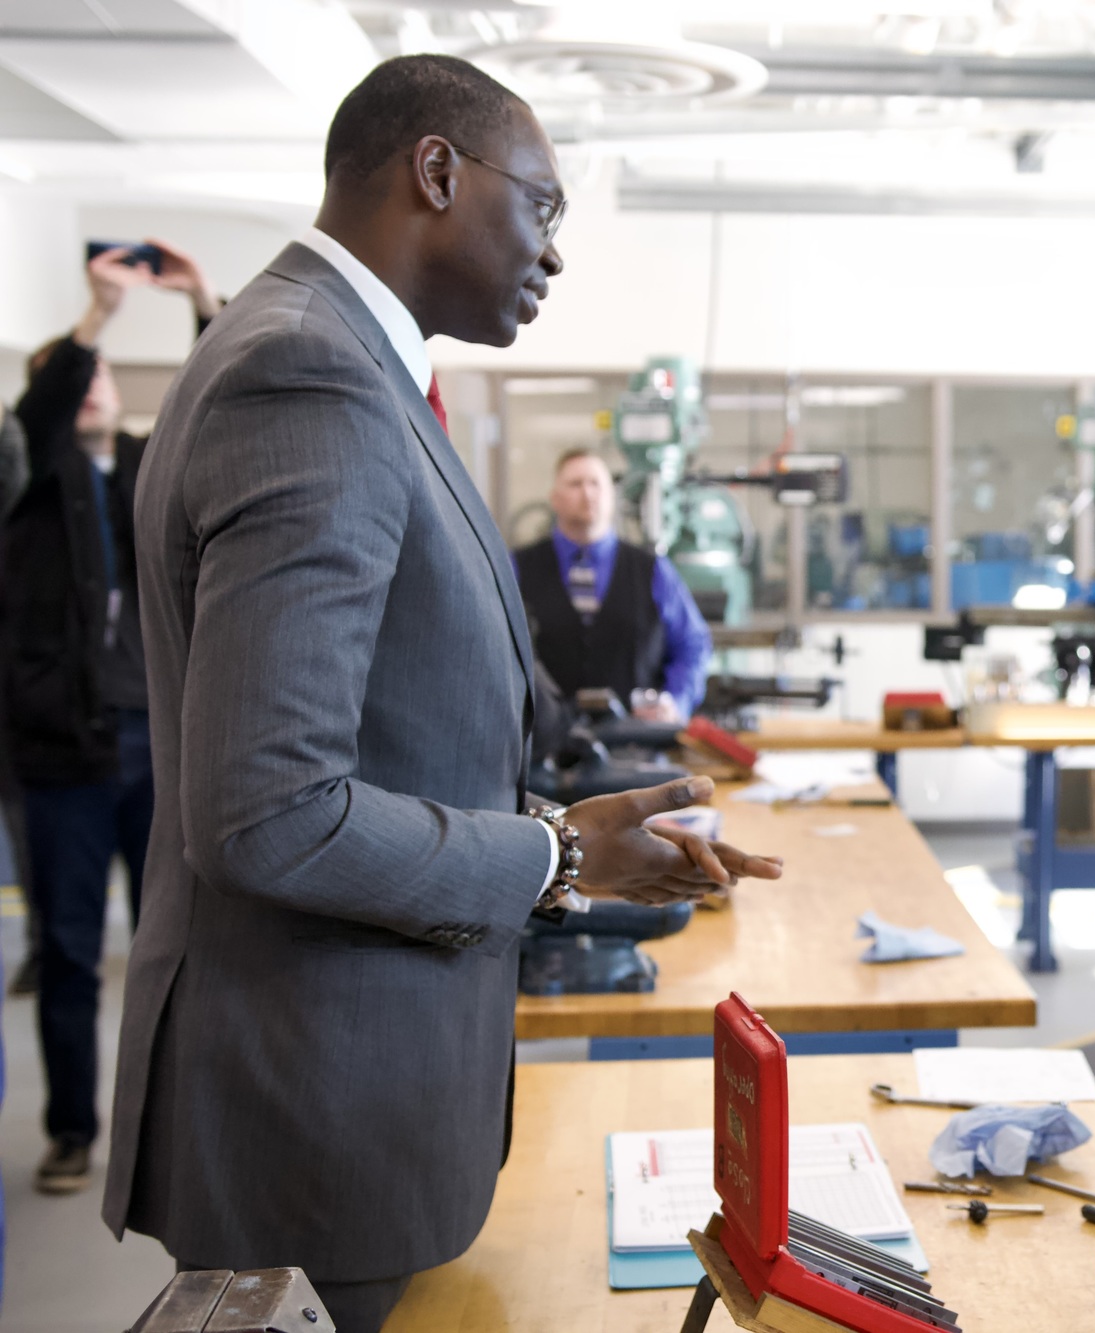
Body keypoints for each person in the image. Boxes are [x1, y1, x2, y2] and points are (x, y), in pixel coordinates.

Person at [101, 54, 783, 1333]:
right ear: (434, 171)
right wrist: (550, 849)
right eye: (545, 208)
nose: (556, 255)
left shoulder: (335, 362)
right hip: (316, 1103)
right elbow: (271, 812)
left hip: (340, 1078)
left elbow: (387, 733)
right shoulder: (306, 376)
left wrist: (577, 857)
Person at [2, 241, 219, 1194]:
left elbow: (215, 411)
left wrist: (204, 304)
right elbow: (34, 418)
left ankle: (180, 1125)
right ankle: (70, 1129)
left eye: (93, 376)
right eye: (71, 375)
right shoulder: (25, 492)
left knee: (179, 946)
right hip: (63, 756)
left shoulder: (145, 466)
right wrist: (90, 323)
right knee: (69, 951)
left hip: (157, 744)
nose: (86, 387)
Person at [514, 448, 713, 723]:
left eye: (596, 483)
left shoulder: (653, 570)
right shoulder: (518, 568)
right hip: (544, 744)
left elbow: (692, 643)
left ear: (612, 497)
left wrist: (677, 701)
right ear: (554, 498)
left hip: (635, 741)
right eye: (575, 484)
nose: (587, 493)